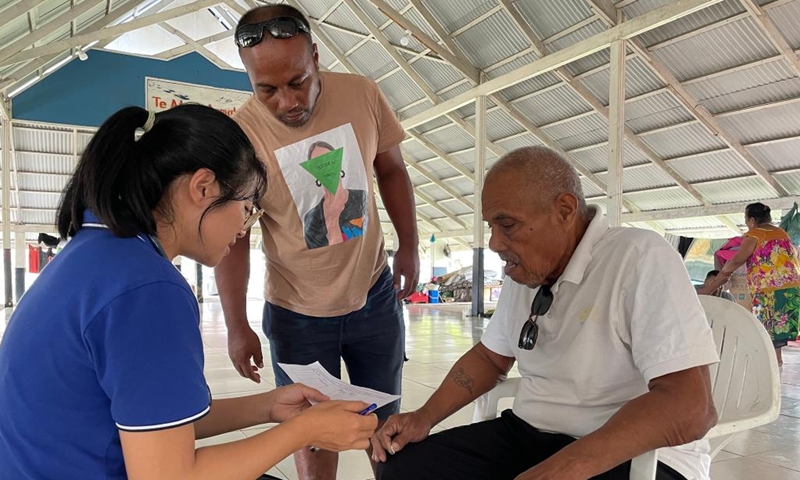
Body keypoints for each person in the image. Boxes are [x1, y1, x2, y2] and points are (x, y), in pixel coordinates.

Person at [0, 105, 378, 480]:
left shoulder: (99, 251)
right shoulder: (148, 289)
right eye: (246, 208)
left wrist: (267, 407)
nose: (244, 228)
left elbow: (156, 422)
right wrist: (306, 431)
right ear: (202, 187)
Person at [371, 146, 719, 480]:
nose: (493, 242)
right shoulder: (525, 272)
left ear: (565, 211)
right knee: (404, 468)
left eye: (507, 224)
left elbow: (691, 407)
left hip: (632, 454)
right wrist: (424, 417)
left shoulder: (639, 257)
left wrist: (569, 466)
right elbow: (491, 359)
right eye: (491, 225)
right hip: (529, 434)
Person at [214, 4, 419, 479]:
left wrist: (408, 244)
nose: (287, 102)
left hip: (374, 298)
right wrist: (236, 324)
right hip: (297, 314)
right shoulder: (241, 136)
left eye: (298, 81)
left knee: (385, 427)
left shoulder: (362, 94)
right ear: (248, 78)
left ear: (316, 57)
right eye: (266, 89)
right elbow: (236, 239)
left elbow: (391, 169)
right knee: (310, 431)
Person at [701, 202, 800, 367]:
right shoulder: (782, 233)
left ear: (752, 220)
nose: (747, 225)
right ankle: (777, 361)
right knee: (776, 330)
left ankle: (770, 363)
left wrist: (712, 285)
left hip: (769, 289)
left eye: (746, 221)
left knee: (764, 326)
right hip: (791, 288)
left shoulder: (755, 235)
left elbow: (737, 260)